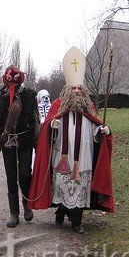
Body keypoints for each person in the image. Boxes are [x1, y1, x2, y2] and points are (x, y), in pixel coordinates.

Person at [28, 47, 114, 234]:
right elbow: (46, 131)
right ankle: (61, 210)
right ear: (67, 91)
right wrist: (52, 127)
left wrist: (102, 131)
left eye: (79, 88)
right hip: (62, 157)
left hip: (84, 156)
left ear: (83, 91)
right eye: (73, 88)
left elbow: (94, 130)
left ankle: (76, 221)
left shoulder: (89, 108)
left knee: (80, 188)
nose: (76, 91)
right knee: (64, 187)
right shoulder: (58, 106)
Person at [0, 66, 39, 227]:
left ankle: (27, 205)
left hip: (25, 140)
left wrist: (35, 136)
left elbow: (36, 119)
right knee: (11, 176)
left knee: (25, 173)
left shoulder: (30, 96)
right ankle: (14, 213)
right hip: (8, 142)